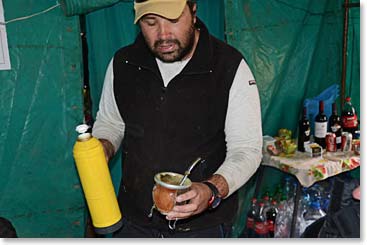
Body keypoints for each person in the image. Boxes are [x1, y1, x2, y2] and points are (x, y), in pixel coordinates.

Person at [92, 0, 262, 238]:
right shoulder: (124, 63)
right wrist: (103, 146)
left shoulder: (228, 66)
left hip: (202, 226)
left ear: (193, 12)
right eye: (150, 22)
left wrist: (212, 189)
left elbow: (247, 149)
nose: (163, 35)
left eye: (173, 20)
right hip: (134, 221)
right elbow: (111, 122)